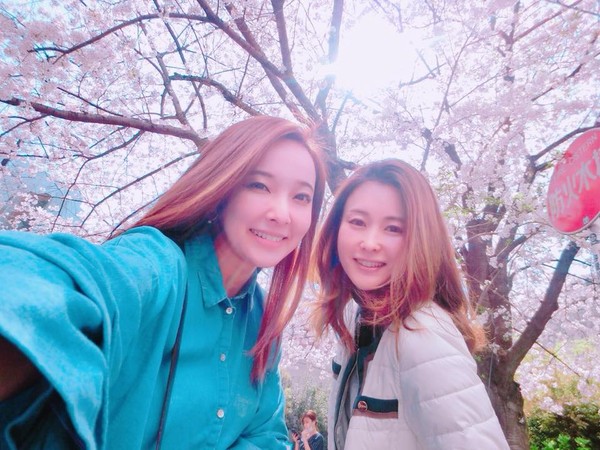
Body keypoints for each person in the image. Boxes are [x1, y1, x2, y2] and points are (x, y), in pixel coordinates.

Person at [0, 115, 327, 449]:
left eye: (301, 197)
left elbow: (266, 434)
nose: (282, 214)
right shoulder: (159, 264)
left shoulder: (263, 321)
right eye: (259, 185)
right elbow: (82, 282)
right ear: (222, 187)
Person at [312, 159, 510, 449]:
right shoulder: (358, 317)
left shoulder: (422, 332)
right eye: (357, 222)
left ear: (421, 240)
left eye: (393, 228)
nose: (370, 242)